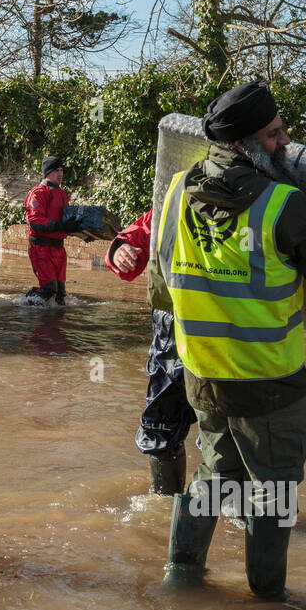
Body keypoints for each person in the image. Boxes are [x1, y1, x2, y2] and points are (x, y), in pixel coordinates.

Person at [156, 80, 306, 601]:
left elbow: (163, 282)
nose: (284, 142)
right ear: (248, 143)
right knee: (273, 496)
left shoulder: (176, 191)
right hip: (270, 383)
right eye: (274, 135)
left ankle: (181, 580)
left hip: (203, 379)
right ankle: (268, 604)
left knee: (214, 476)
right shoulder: (283, 205)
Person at [105, 211, 197, 496]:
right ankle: (165, 509)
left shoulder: (263, 199)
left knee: (224, 431)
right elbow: (143, 231)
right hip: (174, 325)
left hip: (231, 332)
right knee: (160, 426)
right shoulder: (177, 194)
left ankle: (228, 514)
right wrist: (121, 249)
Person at [24, 155, 79, 305]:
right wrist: (59, 226)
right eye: (56, 170)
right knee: (49, 290)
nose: (60, 174)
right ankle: (25, 302)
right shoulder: (38, 192)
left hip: (58, 249)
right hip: (40, 247)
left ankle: (53, 321)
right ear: (47, 173)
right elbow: (34, 220)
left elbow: (65, 220)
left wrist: (76, 227)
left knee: (60, 294)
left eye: (61, 170)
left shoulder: (62, 193)